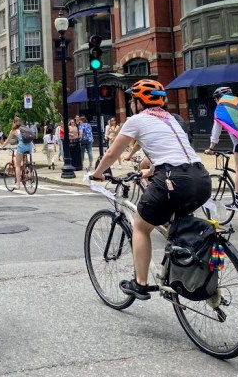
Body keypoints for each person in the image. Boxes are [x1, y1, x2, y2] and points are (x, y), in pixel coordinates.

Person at [90, 79, 211, 301]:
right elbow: (175, 151)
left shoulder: (136, 120)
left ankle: (141, 283)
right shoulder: (172, 120)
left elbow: (111, 155)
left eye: (132, 100)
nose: (130, 104)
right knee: (176, 225)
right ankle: (184, 272)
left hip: (173, 180)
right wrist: (152, 170)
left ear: (138, 102)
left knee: (140, 225)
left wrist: (97, 173)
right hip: (201, 178)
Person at [1, 117, 28, 192]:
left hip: (22, 146)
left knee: (17, 165)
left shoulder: (13, 131)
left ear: (14, 122)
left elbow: (7, 141)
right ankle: (26, 171)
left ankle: (18, 184)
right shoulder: (24, 128)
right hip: (29, 146)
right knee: (24, 160)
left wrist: (1, 147)